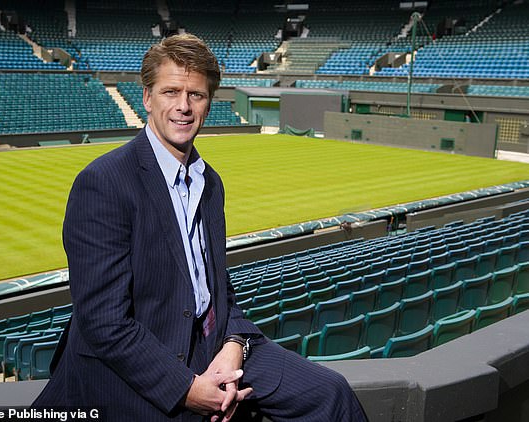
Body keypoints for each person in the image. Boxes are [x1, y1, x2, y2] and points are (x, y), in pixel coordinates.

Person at [32, 34, 367, 422]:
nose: (183, 107)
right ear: (147, 98)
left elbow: (214, 285)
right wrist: (187, 389)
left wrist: (235, 342)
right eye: (171, 91)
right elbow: (104, 323)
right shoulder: (103, 182)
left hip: (212, 346)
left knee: (331, 393)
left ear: (209, 103)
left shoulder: (211, 183)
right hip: (139, 359)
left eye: (197, 95)